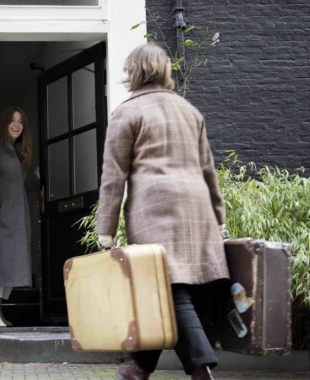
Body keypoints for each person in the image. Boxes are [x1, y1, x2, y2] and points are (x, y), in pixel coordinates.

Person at [96, 44, 229, 380]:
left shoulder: (127, 113)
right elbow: (208, 170)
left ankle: (201, 369)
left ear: (133, 72)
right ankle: (139, 369)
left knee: (170, 288)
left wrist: (105, 229)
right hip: (197, 210)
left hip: (156, 211)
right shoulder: (189, 111)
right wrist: (220, 218)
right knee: (167, 287)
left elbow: (114, 175)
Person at [0, 106, 40, 327]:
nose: (17, 124)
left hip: (16, 221)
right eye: (12, 120)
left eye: (20, 121)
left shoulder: (16, 155)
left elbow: (21, 184)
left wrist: (37, 179)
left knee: (9, 267)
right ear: (4, 123)